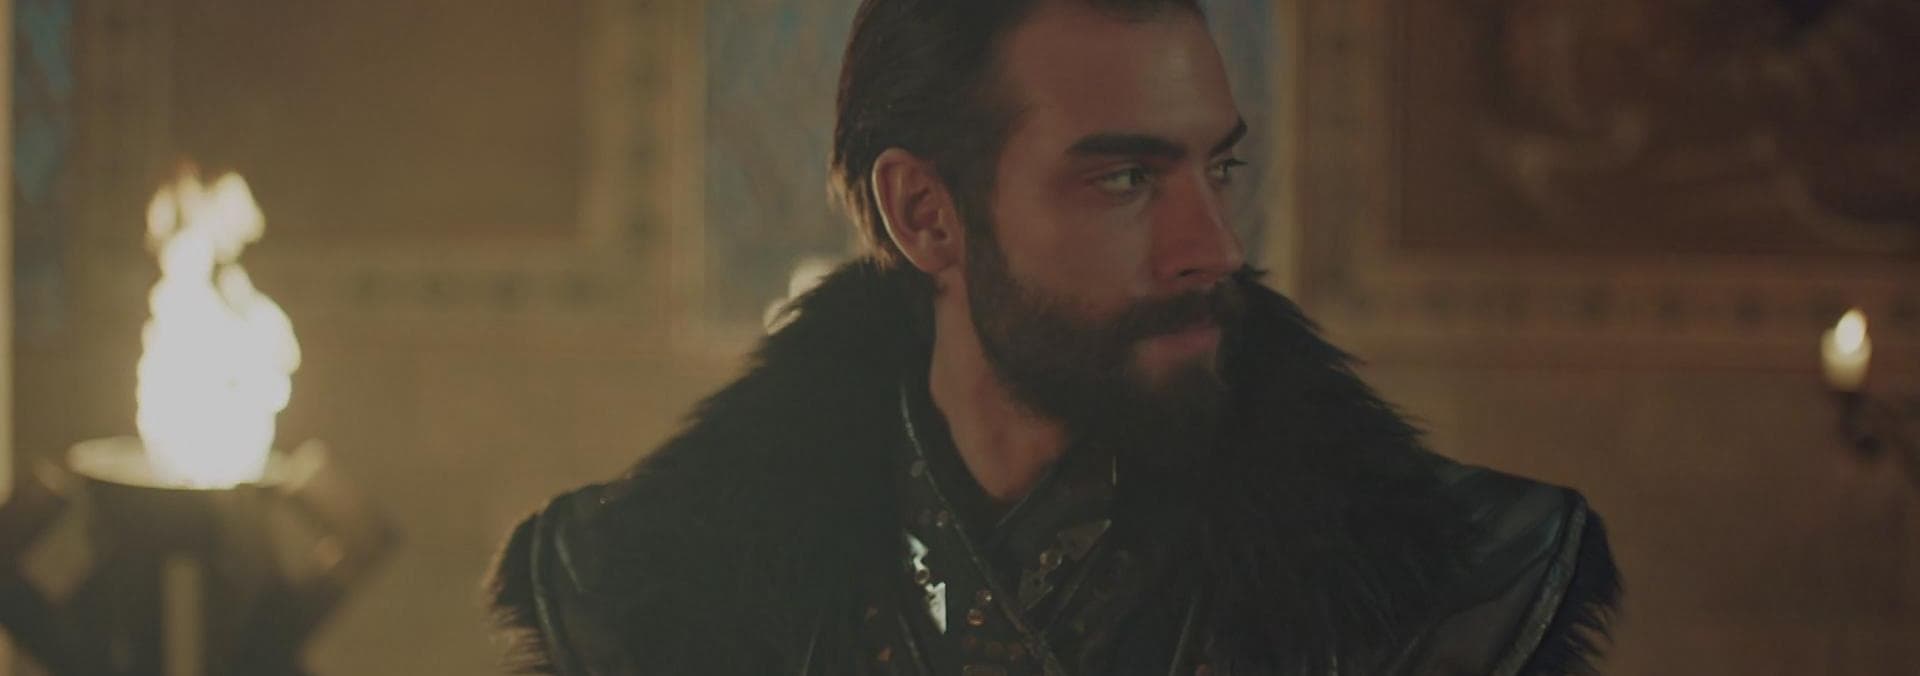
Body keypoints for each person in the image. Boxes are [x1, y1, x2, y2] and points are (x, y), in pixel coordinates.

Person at [487, 0, 1620, 673]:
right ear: (926, 215)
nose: (1215, 246)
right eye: (1126, 178)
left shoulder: (1445, 599)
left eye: (1218, 167)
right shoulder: (646, 600)